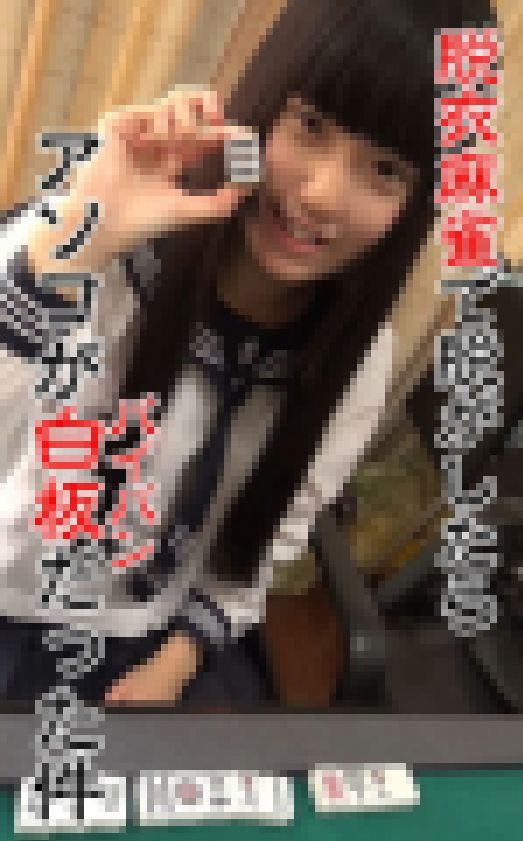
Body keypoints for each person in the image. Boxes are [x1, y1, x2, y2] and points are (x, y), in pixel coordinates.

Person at [0, 0, 495, 708]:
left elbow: (261, 544)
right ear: (261, 102)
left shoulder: (354, 358)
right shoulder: (83, 247)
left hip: (151, 634)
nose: (320, 194)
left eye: (385, 169)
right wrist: (78, 244)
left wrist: (173, 665)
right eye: (310, 125)